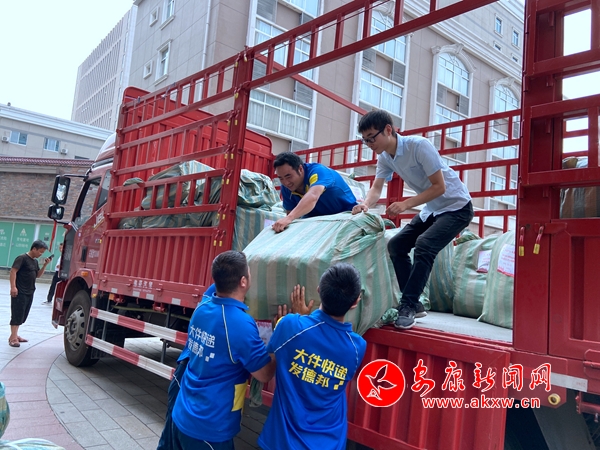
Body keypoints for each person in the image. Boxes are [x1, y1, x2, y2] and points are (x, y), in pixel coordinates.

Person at [353, 109, 474, 330]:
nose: (369, 144)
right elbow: (377, 188)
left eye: (371, 138)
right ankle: (415, 303)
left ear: (388, 130)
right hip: (433, 209)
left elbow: (440, 187)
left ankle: (407, 305)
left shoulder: (419, 146)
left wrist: (406, 204)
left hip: (457, 207)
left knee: (424, 245)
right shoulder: (385, 158)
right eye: (365, 140)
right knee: (397, 245)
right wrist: (365, 204)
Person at [158, 251, 275, 450]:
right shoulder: (240, 325)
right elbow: (264, 374)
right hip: (209, 430)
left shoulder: (203, 307)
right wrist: (281, 330)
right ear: (243, 281)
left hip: (182, 415)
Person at [258, 263, 367, 450]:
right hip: (329, 443)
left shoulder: (289, 326)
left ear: (318, 291)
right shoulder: (357, 347)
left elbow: (272, 362)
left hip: (283, 442)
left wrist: (300, 318)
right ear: (356, 301)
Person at [272, 152, 358, 232]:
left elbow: (313, 196)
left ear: (300, 169)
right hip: (316, 222)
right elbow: (291, 216)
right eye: (281, 178)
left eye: (288, 176)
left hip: (345, 215)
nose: (286, 183)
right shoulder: (286, 188)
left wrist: (289, 218)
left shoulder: (318, 171)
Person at [9, 240, 51, 347]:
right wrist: (13, 287)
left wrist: (45, 265)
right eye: (40, 251)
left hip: (30, 291)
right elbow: (13, 271)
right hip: (20, 291)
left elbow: (38, 275)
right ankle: (13, 338)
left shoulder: (34, 262)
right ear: (34, 249)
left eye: (42, 252)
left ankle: (15, 335)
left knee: (23, 314)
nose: (41, 254)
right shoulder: (22, 258)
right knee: (17, 313)